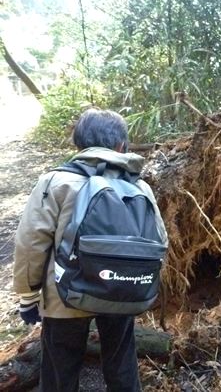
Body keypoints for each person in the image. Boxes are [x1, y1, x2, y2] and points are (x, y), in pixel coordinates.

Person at [13, 108, 167, 392]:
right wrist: (139, 284)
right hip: (121, 291)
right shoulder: (140, 186)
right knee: (122, 362)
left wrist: (28, 294)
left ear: (79, 144)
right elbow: (159, 240)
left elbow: (31, 242)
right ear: (123, 146)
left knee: (60, 366)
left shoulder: (55, 182)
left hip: (64, 295)